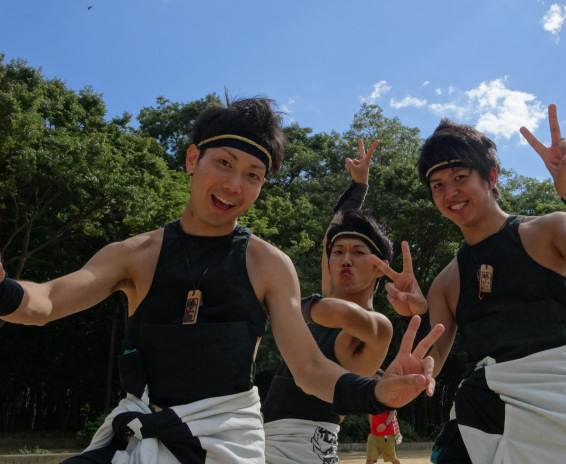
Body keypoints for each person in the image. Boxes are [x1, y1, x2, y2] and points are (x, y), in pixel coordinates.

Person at [0, 96, 444, 464]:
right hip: (140, 429)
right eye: (224, 163)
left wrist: (378, 393)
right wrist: (4, 290)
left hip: (228, 441)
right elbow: (47, 301)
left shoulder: (268, 265)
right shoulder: (135, 255)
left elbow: (310, 369)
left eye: (252, 175)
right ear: (193, 158)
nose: (234, 185)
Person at [371, 104, 566, 463]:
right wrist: (415, 325)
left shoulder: (545, 230)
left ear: (491, 177)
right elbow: (433, 357)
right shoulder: (446, 282)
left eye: (460, 177)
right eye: (438, 185)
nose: (450, 192)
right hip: (486, 411)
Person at [263, 140, 395, 463]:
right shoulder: (324, 301)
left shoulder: (377, 326)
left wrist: (274, 301)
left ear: (380, 268)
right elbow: (329, 238)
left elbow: (340, 314)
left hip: (308, 447)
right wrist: (358, 187)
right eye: (338, 252)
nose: (344, 259)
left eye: (358, 252)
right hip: (263, 438)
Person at [365, 370, 401, 464]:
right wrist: (372, 428)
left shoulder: (388, 394)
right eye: (373, 378)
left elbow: (392, 412)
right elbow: (370, 414)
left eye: (376, 378)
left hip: (387, 434)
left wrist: (385, 424)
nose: (374, 380)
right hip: (373, 434)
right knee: (369, 460)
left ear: (383, 379)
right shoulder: (370, 395)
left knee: (393, 459)